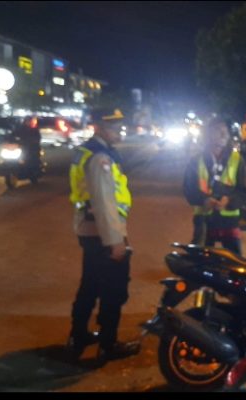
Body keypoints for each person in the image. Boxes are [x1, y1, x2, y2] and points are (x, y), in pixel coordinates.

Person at [66, 108, 140, 363]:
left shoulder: (88, 151)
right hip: (103, 234)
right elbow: (104, 203)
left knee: (90, 284)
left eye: (120, 126)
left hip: (90, 230)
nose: (118, 130)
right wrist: (115, 241)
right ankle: (108, 344)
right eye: (112, 126)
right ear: (98, 127)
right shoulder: (100, 158)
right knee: (113, 290)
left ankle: (78, 336)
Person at [183, 117, 246, 254]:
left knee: (235, 262)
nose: (223, 134)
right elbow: (189, 190)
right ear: (208, 134)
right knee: (200, 261)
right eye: (218, 130)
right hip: (204, 221)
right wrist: (204, 200)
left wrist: (229, 201)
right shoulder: (196, 161)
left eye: (226, 131)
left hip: (229, 221)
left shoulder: (237, 160)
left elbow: (243, 192)